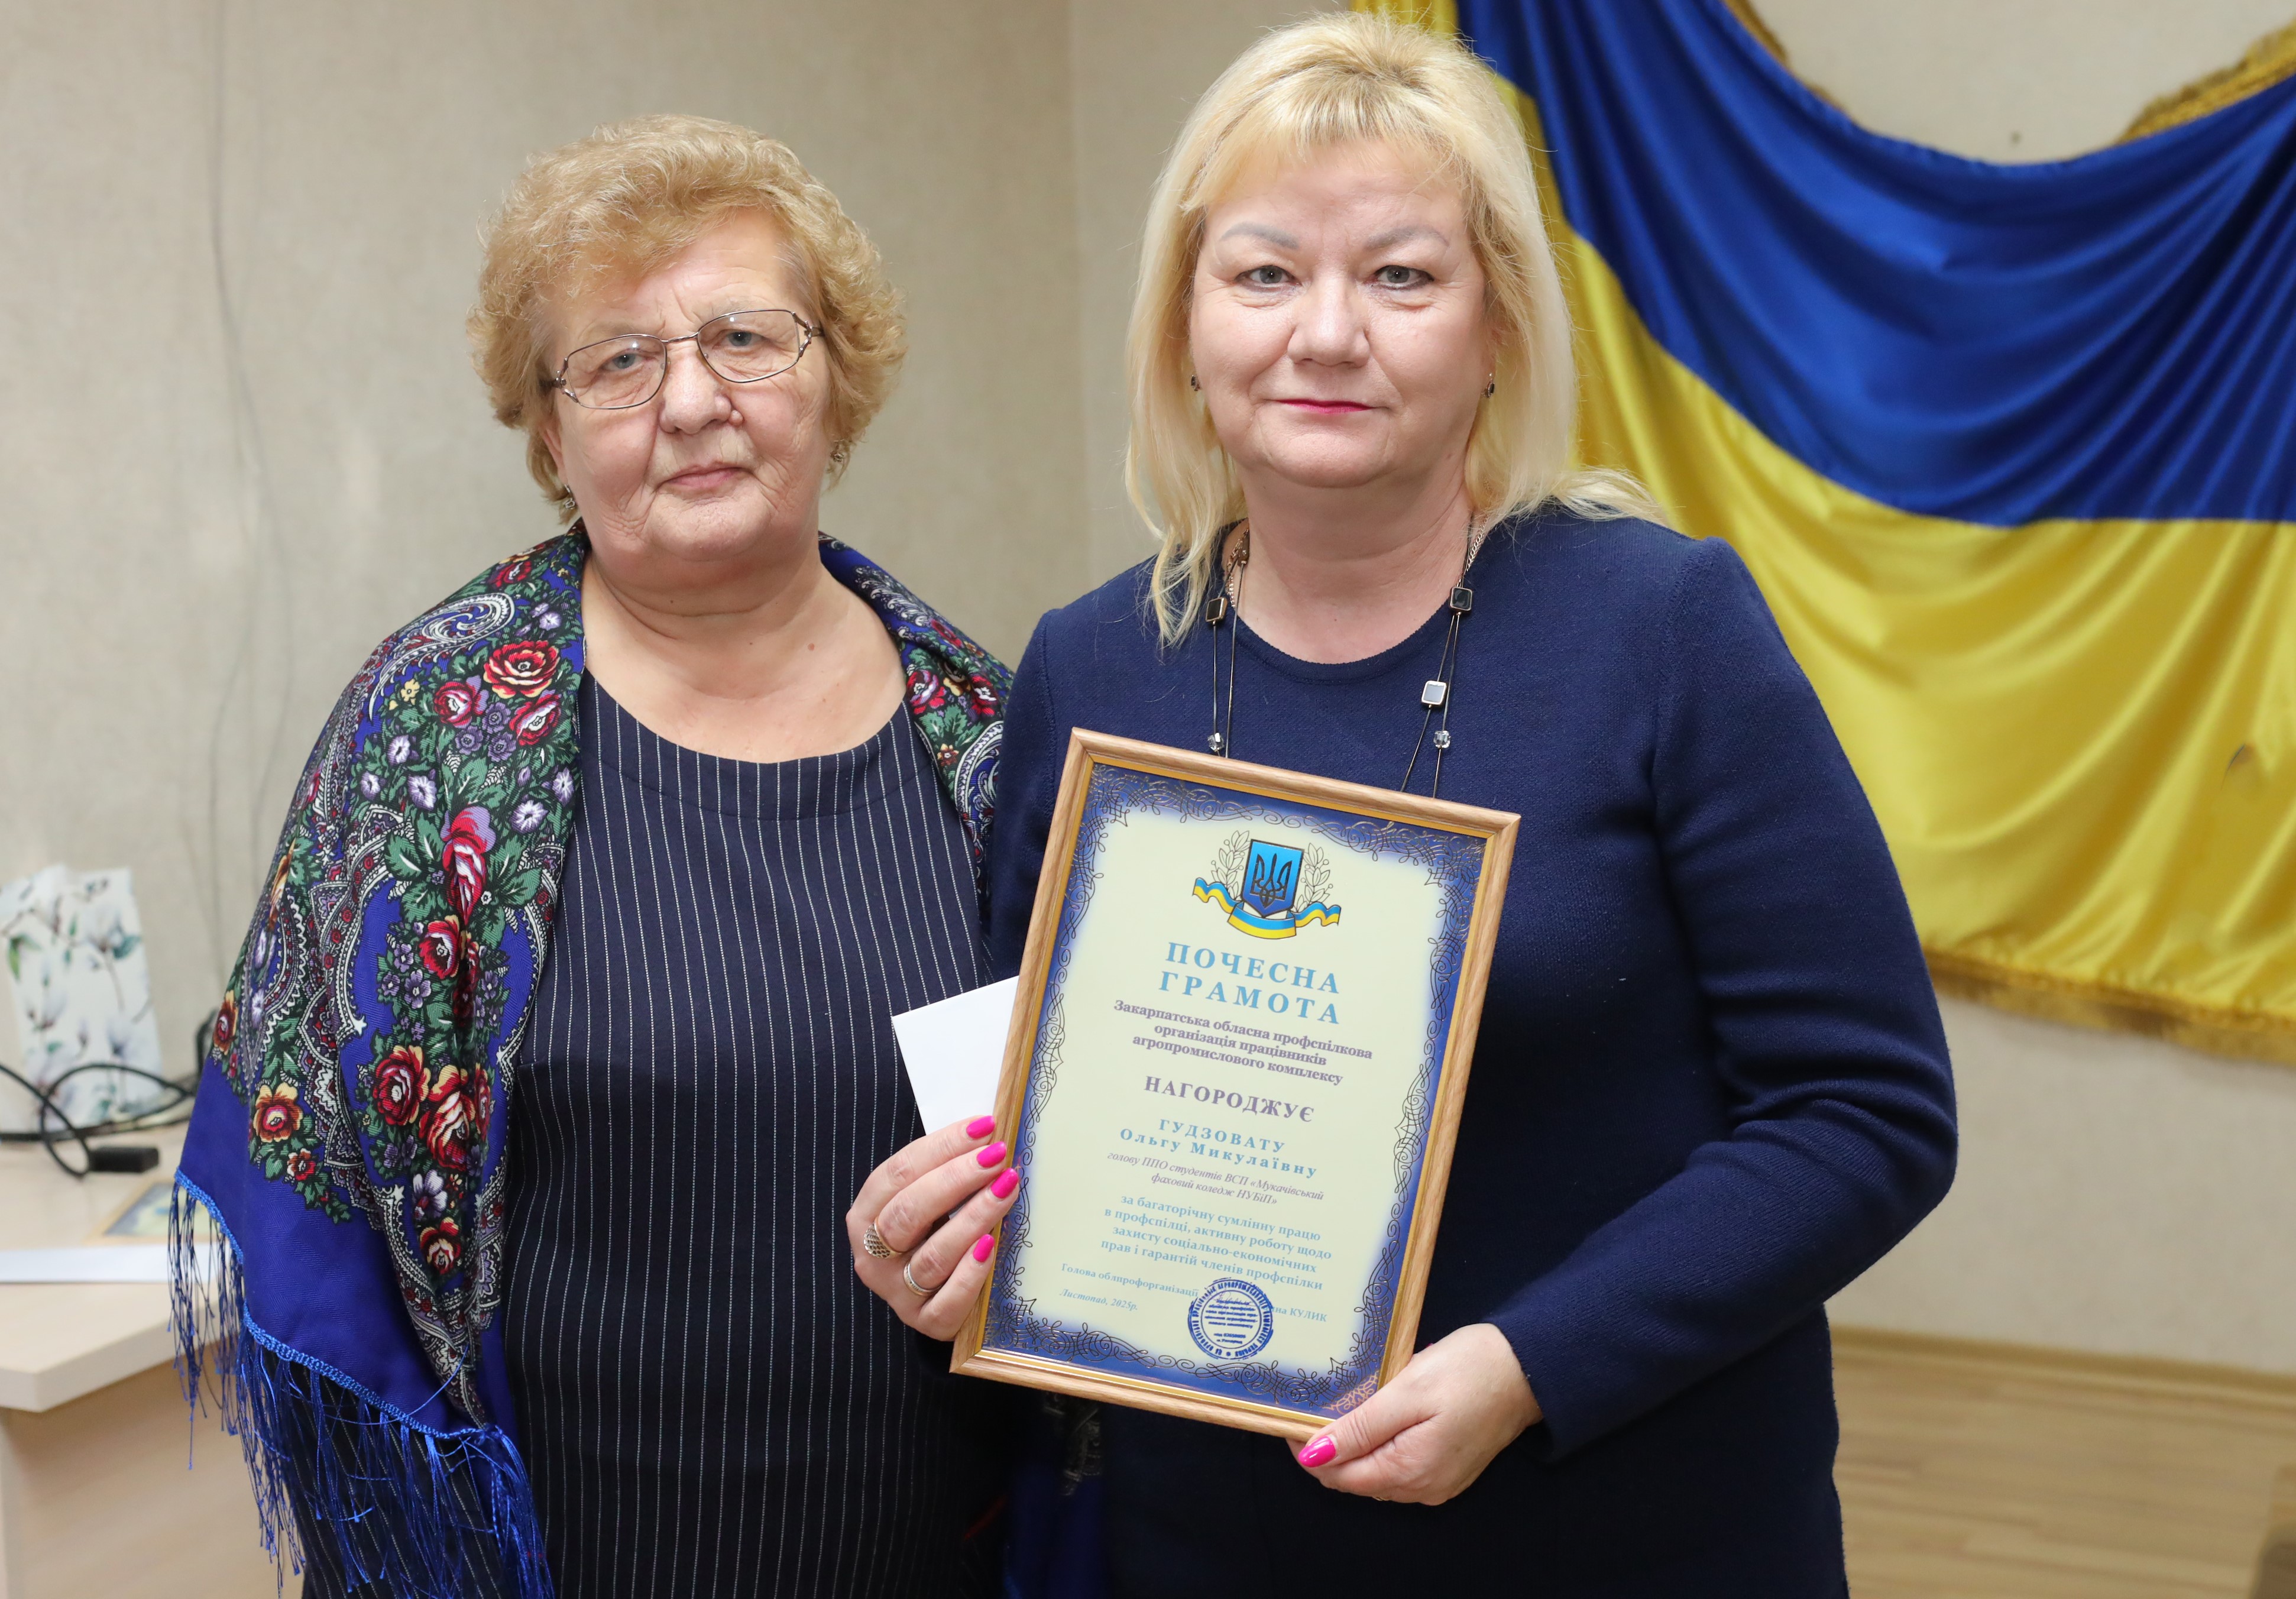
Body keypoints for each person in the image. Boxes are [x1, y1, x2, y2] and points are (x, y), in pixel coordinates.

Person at [977, 15, 1954, 1595]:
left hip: (1630, 1523)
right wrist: (946, 1227)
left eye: (1400, 275)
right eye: (1264, 271)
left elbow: (1864, 1112)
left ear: (1497, 322)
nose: (1325, 333)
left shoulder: (1663, 628)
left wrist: (1527, 1364)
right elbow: (1025, 1093)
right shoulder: (1091, 663)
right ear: (1184, 323)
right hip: (1215, 1542)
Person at [172, 115, 1025, 1599]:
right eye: (619, 361)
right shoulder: (430, 736)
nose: (691, 399)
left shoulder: (995, 733)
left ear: (835, 381)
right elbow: (315, 1186)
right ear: (551, 435)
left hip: (938, 1552)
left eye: (744, 337)